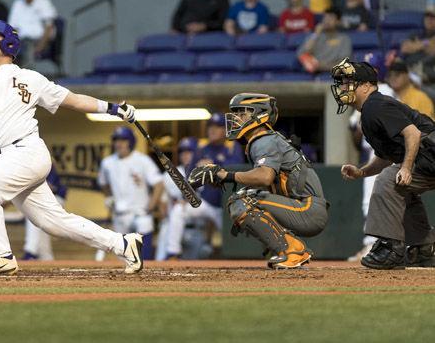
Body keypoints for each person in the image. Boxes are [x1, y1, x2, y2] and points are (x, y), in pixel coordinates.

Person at [0, 19, 144, 275]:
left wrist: (113, 108)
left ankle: (2, 255)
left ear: (8, 42)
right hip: (7, 159)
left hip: (26, 151)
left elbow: (73, 100)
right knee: (52, 222)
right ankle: (122, 244)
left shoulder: (30, 78)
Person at [188, 93, 328, 269]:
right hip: (302, 207)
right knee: (244, 197)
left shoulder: (263, 140)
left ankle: (294, 251)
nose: (236, 118)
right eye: (236, 114)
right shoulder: (266, 139)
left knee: (242, 201)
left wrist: (227, 175)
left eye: (242, 113)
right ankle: (283, 250)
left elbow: (264, 177)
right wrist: (223, 178)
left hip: (308, 209)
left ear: (259, 115)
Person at [331, 58, 435, 269]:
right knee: (400, 187)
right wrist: (361, 172)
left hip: (429, 151)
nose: (342, 87)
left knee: (388, 180)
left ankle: (390, 249)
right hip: (427, 155)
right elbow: (386, 156)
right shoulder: (368, 113)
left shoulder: (375, 105)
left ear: (367, 86)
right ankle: (422, 249)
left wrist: (405, 168)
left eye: (348, 82)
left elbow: (413, 134)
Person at [164, 114, 245, 259]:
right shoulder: (201, 148)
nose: (212, 131)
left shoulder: (233, 146)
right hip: (207, 202)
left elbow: (237, 170)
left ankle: (241, 260)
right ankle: (173, 252)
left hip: (227, 206)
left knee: (237, 238)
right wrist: (186, 197)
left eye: (217, 127)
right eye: (210, 127)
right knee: (178, 210)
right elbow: (189, 175)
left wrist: (212, 165)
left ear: (224, 130)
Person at [347, 52, 395, 262]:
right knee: (374, 200)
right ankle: (375, 245)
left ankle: (376, 246)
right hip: (373, 152)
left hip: (385, 153)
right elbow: (355, 135)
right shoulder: (365, 93)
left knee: (377, 199)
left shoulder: (384, 91)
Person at [98, 126, 164, 261]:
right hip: (120, 216)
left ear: (131, 141)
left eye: (123, 140)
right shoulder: (107, 163)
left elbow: (159, 184)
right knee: (124, 262)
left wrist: (150, 206)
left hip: (140, 214)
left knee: (144, 260)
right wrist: (109, 197)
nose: (119, 143)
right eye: (116, 140)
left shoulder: (142, 160)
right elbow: (103, 183)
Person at [8, 0, 58, 69]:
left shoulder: (44, 1)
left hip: (41, 42)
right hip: (21, 41)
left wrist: (41, 46)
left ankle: (28, 79)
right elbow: (13, 28)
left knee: (28, 49)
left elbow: (49, 27)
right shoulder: (17, 3)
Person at [23, 166, 68, 260]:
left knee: (33, 212)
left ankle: (31, 251)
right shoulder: (23, 166)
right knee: (42, 227)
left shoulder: (44, 162)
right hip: (41, 200)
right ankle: (46, 258)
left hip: (55, 198)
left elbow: (49, 187)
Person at [297, 8, 352, 74]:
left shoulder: (344, 39)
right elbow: (303, 53)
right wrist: (316, 34)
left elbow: (344, 63)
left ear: (338, 21)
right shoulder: (315, 36)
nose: (327, 21)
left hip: (335, 74)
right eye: (325, 18)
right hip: (314, 74)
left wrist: (322, 67)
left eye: (330, 18)